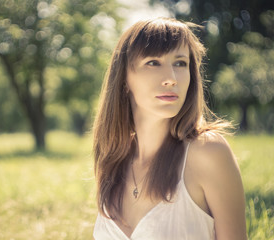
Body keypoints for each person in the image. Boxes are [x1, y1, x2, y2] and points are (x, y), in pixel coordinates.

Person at [92, 18, 247, 240]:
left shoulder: (207, 152)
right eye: (154, 62)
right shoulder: (114, 159)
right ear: (125, 78)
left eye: (180, 63)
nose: (171, 79)